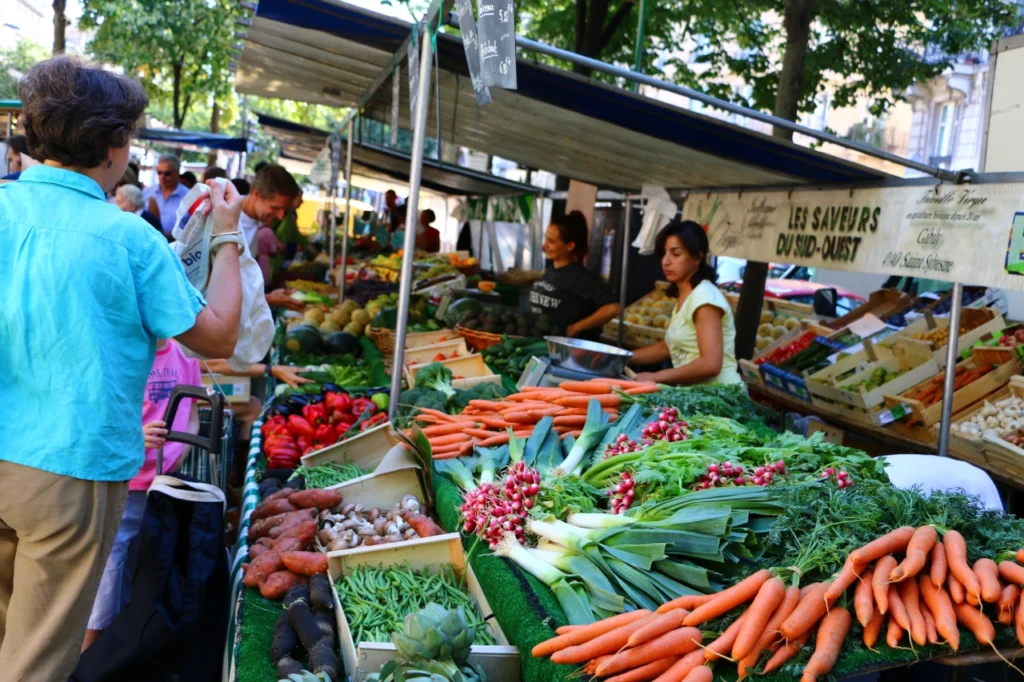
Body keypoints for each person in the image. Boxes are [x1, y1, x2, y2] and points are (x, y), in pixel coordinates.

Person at [0, 55, 243, 681]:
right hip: (68, 471)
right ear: (115, 143)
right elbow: (217, 336)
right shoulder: (128, 238)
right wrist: (227, 235)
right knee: (36, 659)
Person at [82, 338, 201, 652]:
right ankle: (87, 655)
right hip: (125, 483)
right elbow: (94, 418)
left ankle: (127, 647)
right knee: (110, 568)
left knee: (149, 564)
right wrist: (136, 436)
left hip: (165, 484)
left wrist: (179, 454)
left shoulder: (184, 356)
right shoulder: (119, 352)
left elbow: (191, 416)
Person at [628, 219, 741, 385]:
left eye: (676, 254)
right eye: (664, 253)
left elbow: (710, 365)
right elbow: (670, 347)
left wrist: (655, 376)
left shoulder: (705, 298)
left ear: (697, 257)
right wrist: (623, 357)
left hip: (719, 398)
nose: (666, 261)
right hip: (697, 395)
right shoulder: (687, 295)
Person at [529, 211, 621, 341]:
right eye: (545, 239)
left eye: (551, 241)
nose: (544, 246)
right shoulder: (551, 271)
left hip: (565, 353)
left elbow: (614, 308)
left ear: (570, 246)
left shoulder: (580, 277)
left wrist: (575, 328)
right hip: (540, 345)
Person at [142, 154, 190, 237]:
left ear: (177, 172)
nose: (162, 177)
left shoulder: (189, 196)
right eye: (159, 172)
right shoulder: (147, 192)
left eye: (167, 173)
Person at [256, 222, 281, 290]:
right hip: (265, 262)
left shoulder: (255, 229)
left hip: (255, 260)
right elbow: (273, 251)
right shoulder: (268, 231)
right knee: (264, 285)